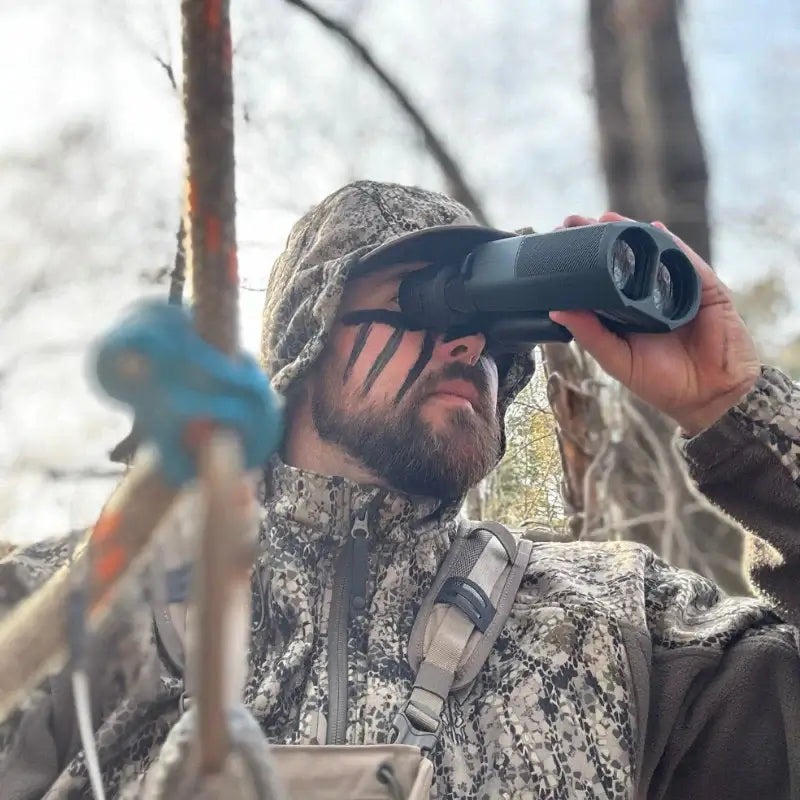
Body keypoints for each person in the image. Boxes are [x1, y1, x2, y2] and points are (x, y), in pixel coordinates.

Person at [1, 179, 799, 799]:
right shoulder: (72, 605)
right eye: (430, 303)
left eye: (493, 330)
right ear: (308, 337)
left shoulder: (630, 629)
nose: (469, 344)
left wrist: (736, 404)